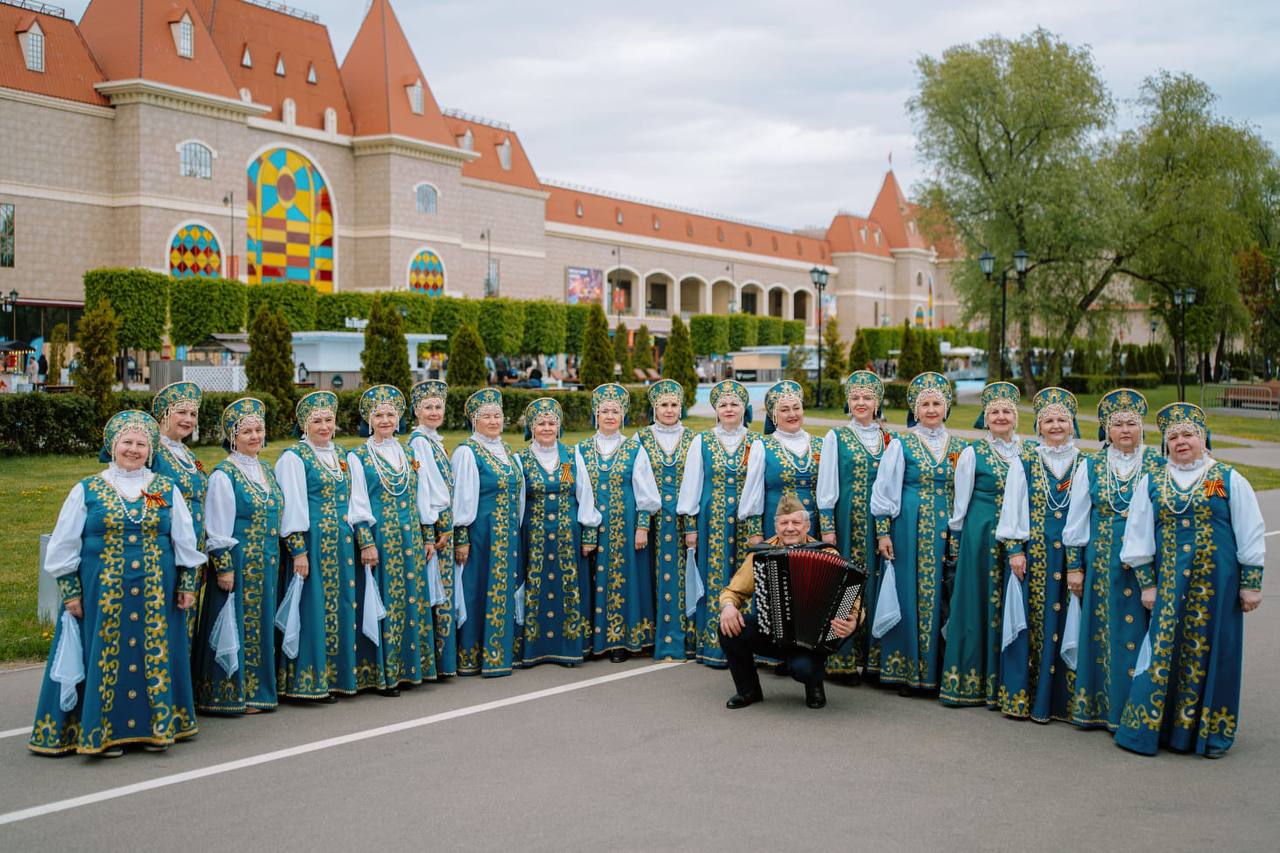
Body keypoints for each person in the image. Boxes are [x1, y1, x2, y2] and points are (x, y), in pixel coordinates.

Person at [29, 411, 205, 757]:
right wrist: (70, 591)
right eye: (127, 442)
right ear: (113, 446)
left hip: (157, 592)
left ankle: (154, 730)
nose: (134, 449)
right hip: (102, 593)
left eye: (141, 444)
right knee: (107, 655)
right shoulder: (88, 490)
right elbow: (64, 545)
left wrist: (186, 583)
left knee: (152, 652)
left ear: (151, 450)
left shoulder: (162, 489)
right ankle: (102, 733)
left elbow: (184, 538)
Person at [1115, 403, 1265, 758]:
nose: (1181, 442)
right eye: (1174, 437)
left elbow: (1250, 530)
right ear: (1165, 444)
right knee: (1165, 649)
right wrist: (1147, 583)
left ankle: (1206, 733)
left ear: (1202, 439)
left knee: (1214, 652)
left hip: (1219, 587)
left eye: (1188, 435)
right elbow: (1137, 537)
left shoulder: (1226, 478)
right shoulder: (1153, 480)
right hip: (1169, 586)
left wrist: (1251, 582)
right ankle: (1156, 730)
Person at [1062, 389, 1164, 730]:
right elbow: (1076, 519)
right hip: (1102, 561)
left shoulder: (1157, 465)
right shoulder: (1090, 465)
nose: (1124, 430)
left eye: (1131, 424)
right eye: (1117, 424)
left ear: (1142, 428)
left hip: (1146, 564)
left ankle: (1138, 709)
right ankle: (1102, 708)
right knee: (1102, 632)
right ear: (1106, 429)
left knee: (1143, 631)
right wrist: (1075, 567)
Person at [719, 494, 861, 710]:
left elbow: (853, 600)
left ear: (807, 526)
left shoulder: (826, 553)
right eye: (784, 523)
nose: (790, 528)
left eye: (796, 522)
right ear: (776, 526)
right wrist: (728, 606)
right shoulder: (763, 553)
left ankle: (814, 685)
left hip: (812, 642)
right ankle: (748, 690)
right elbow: (734, 590)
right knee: (729, 628)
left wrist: (853, 621)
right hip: (772, 634)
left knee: (803, 668)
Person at [870, 371, 965, 693]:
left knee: (944, 596)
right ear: (915, 408)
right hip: (909, 526)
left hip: (947, 527)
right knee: (909, 593)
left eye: (937, 403)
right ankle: (908, 670)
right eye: (924, 403)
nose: (931, 409)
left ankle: (938, 670)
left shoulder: (962, 446)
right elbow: (885, 489)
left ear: (947, 407)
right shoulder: (902, 443)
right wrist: (883, 532)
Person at [995, 387, 1082, 723]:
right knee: (1035, 622)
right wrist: (1015, 549)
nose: (1056, 425)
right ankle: (1029, 698)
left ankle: (1065, 701)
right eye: (1049, 420)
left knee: (1069, 621)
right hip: (1036, 556)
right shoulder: (1026, 462)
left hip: (1072, 557)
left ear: (1072, 425)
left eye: (1062, 419)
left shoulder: (1084, 463)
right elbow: (1013, 508)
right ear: (1038, 427)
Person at [191, 398, 283, 714]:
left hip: (266, 563)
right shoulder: (224, 474)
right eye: (247, 432)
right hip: (239, 564)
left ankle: (258, 691)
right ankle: (229, 694)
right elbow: (216, 526)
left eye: (258, 430)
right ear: (233, 436)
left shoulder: (266, 470)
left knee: (260, 627)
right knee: (237, 624)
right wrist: (224, 567)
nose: (255, 436)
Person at [348, 385, 437, 695]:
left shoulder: (409, 453)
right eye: (378, 415)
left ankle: (414, 668)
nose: (385, 420)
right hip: (382, 539)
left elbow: (422, 496)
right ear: (369, 420)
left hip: (410, 536)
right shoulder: (358, 455)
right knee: (386, 599)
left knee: (412, 597)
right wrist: (366, 541)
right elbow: (357, 502)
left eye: (390, 414)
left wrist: (428, 535)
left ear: (399, 419)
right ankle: (385, 674)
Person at [939, 381, 1022, 708]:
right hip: (981, 532)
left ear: (1015, 418)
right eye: (994, 412)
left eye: (1006, 412)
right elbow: (960, 504)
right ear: (984, 419)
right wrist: (958, 544)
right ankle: (970, 682)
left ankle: (1006, 681)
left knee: (1009, 605)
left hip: (1016, 536)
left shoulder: (1027, 451)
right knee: (977, 602)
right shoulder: (973, 453)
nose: (1000, 417)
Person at [274, 391, 358, 701]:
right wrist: (298, 550)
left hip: (340, 545)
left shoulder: (340, 456)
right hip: (313, 545)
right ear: (303, 425)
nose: (324, 426)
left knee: (340, 607)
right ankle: (306, 682)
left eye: (328, 420)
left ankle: (337, 676)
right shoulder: (295, 458)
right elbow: (291, 508)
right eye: (317, 421)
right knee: (312, 608)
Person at [578, 383, 662, 661]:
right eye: (604, 411)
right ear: (596, 415)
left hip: (626, 526)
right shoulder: (580, 450)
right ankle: (597, 640)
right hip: (594, 527)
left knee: (627, 580)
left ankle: (622, 640)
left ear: (623, 415)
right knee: (593, 580)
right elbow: (576, 488)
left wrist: (642, 527)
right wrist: (586, 529)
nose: (610, 416)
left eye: (615, 411)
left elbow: (645, 491)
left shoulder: (633, 448)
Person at [817, 370, 891, 680]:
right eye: (856, 398)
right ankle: (842, 658)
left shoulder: (890, 438)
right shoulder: (837, 436)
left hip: (880, 524)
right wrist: (827, 525)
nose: (861, 403)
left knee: (876, 582)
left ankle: (873, 657)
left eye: (867, 398)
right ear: (849, 403)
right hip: (847, 520)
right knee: (845, 583)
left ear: (877, 403)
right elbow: (827, 483)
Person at [678, 379, 754, 667]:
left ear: (744, 408)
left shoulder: (756, 441)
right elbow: (692, 484)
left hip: (747, 520)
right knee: (717, 575)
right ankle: (714, 645)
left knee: (746, 578)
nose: (729, 408)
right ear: (716, 410)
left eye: (735, 404)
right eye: (723, 404)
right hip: (714, 520)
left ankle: (748, 644)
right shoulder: (703, 441)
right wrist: (692, 527)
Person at [515, 397, 597, 665]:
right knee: (536, 588)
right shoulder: (521, 458)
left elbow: (582, 493)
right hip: (535, 536)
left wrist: (588, 533)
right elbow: (518, 501)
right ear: (532, 427)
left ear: (559, 427)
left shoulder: (569, 457)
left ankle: (569, 647)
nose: (547, 428)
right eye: (541, 423)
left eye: (552, 423)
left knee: (567, 588)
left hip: (566, 535)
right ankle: (535, 650)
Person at [451, 388, 524, 677]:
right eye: (486, 417)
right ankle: (473, 653)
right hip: (481, 534)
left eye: (497, 416)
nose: (493, 421)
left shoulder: (506, 450)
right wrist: (462, 537)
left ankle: (501, 652)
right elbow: (463, 500)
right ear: (474, 420)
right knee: (477, 589)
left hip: (506, 534)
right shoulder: (468, 452)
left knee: (502, 589)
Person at [635, 379, 697, 661]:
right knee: (653, 575)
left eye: (674, 404)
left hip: (685, 520)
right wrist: (642, 523)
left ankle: (686, 638)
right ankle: (656, 638)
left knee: (686, 576)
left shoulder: (694, 439)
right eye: (663, 405)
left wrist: (693, 524)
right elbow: (638, 484)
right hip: (654, 522)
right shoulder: (641, 438)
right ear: (654, 408)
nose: (669, 410)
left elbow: (697, 482)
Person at [150, 381, 208, 641]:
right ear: (164, 415)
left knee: (187, 621)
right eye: (181, 412)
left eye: (193, 414)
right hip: (167, 550)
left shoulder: (186, 453)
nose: (188, 419)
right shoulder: (152, 453)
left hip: (193, 551)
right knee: (167, 620)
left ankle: (182, 680)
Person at [408, 379, 457, 676]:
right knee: (436, 592)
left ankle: (443, 660)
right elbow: (426, 489)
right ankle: (436, 661)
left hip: (443, 527)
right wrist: (436, 528)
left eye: (438, 406)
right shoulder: (419, 443)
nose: (434, 411)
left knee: (443, 592)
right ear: (416, 411)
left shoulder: (434, 440)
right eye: (428, 407)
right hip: (437, 528)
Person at [742, 380, 822, 542]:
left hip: (814, 526)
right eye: (784, 410)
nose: (792, 414)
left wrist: (828, 529)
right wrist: (755, 533)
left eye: (796, 408)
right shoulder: (762, 446)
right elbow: (754, 492)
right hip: (776, 526)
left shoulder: (822, 444)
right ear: (774, 416)